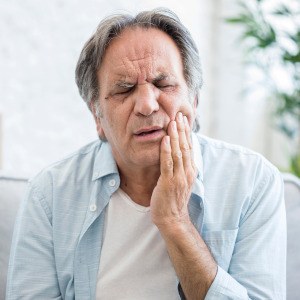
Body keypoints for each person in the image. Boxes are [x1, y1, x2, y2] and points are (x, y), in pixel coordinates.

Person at [6, 8, 286, 300]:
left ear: (193, 99)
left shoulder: (253, 182)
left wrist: (175, 221)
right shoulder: (48, 195)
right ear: (97, 117)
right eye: (124, 90)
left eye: (163, 84)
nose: (146, 105)